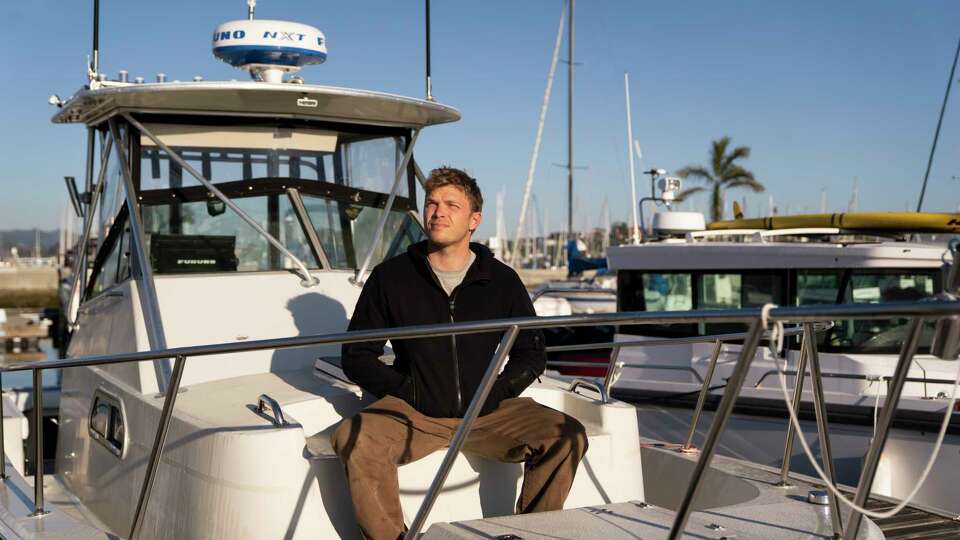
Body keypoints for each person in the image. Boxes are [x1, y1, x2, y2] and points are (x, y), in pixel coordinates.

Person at [331, 167, 588, 540]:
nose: (438, 212)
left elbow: (531, 354)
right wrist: (409, 390)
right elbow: (356, 356)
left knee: (568, 436)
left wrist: (494, 392)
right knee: (354, 437)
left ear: (474, 220)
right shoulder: (391, 278)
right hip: (414, 412)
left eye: (452, 204)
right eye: (432, 204)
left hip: (488, 410)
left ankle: (533, 532)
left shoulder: (500, 280)